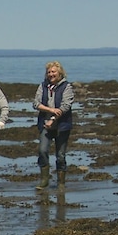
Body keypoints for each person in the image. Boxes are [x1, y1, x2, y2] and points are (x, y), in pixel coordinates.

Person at [33, 61, 75, 189]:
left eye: (53, 72)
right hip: (45, 125)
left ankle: (61, 183)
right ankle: (44, 180)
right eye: (49, 72)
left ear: (60, 73)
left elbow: (65, 106)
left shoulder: (66, 87)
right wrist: (50, 110)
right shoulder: (42, 86)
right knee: (42, 150)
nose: (51, 74)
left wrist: (53, 119)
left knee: (60, 155)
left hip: (62, 126)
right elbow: (36, 103)